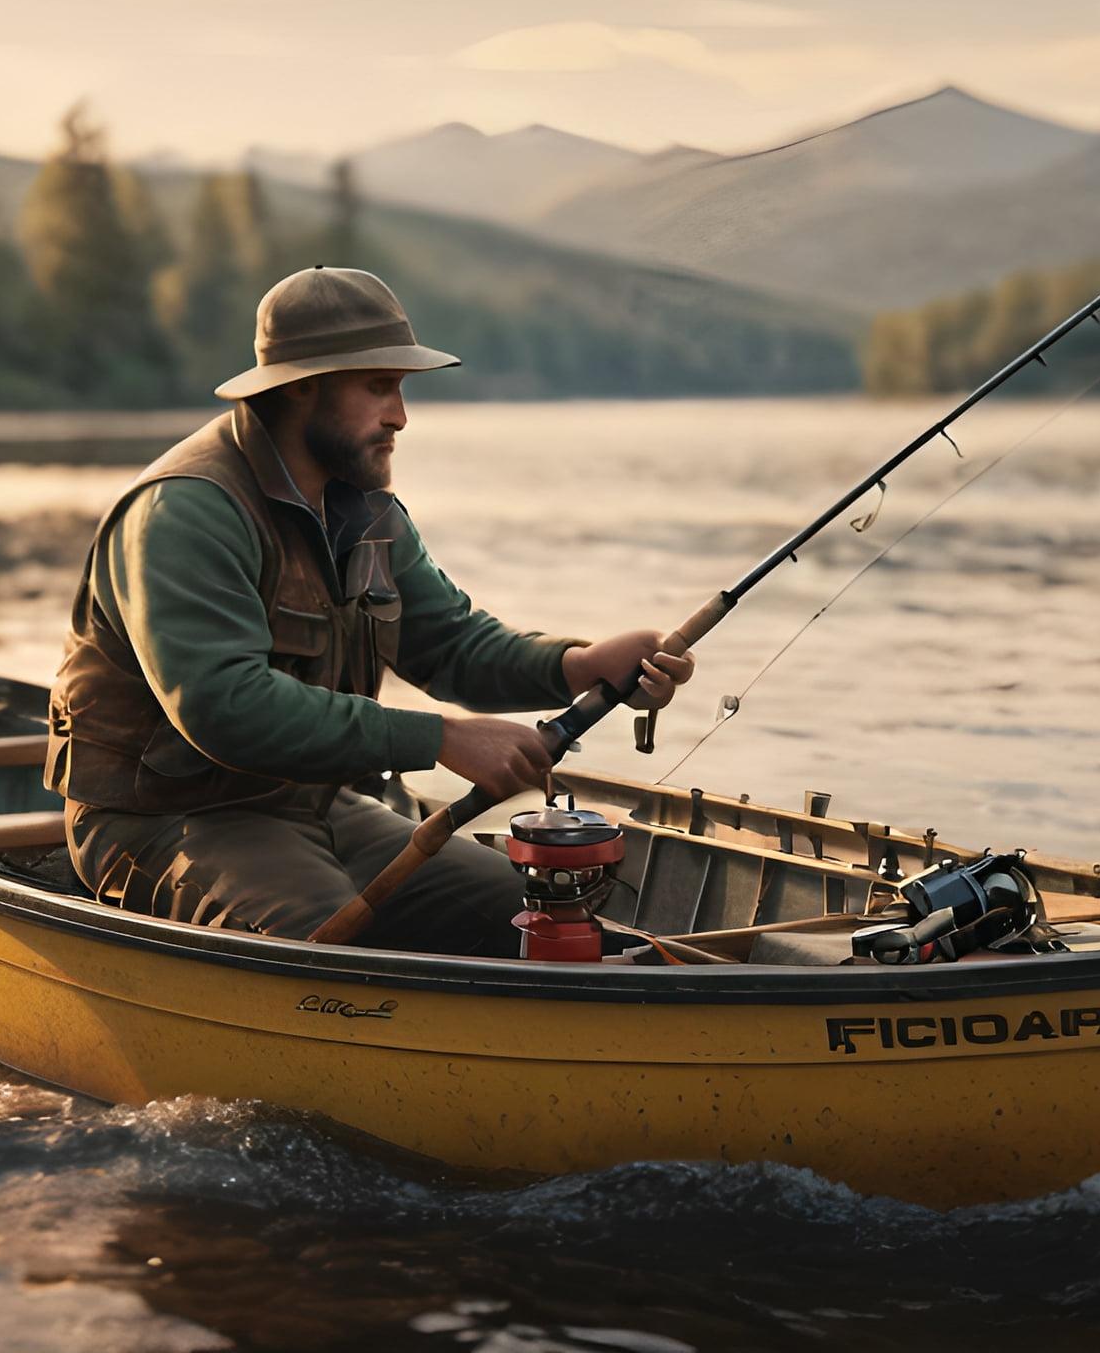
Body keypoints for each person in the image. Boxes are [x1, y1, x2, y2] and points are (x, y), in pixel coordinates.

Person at [45, 267, 694, 956]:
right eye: (379, 386)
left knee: (527, 916)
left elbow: (449, 643)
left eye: (402, 388)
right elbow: (222, 705)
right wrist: (438, 738)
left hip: (317, 806)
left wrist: (577, 664)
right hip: (164, 821)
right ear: (302, 389)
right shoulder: (186, 512)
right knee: (323, 952)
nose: (401, 416)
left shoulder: (365, 507)